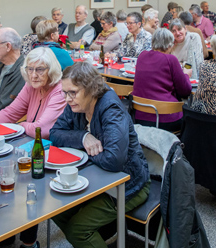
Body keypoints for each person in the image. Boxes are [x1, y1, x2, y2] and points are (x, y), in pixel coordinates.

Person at [50, 62, 150, 248]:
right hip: (96, 177)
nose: (67, 99)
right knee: (55, 208)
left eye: (73, 92)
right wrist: (83, 137)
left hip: (128, 185)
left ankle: (87, 237)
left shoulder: (110, 108)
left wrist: (82, 155)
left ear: (90, 89)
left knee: (77, 230)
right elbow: (55, 133)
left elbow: (114, 160)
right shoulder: (77, 104)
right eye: (64, 93)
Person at [0, 48, 66, 142]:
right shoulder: (31, 85)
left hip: (53, 147)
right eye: (30, 69)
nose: (33, 75)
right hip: (32, 141)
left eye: (40, 69)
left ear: (51, 70)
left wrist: (20, 125)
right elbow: (10, 113)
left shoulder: (60, 91)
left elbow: (41, 130)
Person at [132, 28, 192, 131]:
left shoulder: (142, 56)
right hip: (164, 117)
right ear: (170, 44)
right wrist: (186, 75)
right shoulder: (171, 59)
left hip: (139, 115)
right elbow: (185, 90)